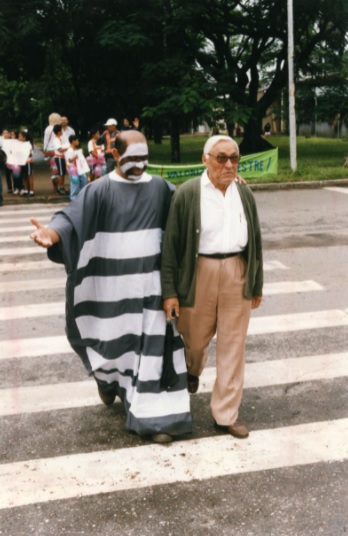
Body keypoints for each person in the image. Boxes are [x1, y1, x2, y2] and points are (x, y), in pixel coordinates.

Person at [29, 130, 192, 444]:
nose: (139, 166)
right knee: (114, 348)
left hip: (152, 290)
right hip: (112, 291)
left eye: (145, 159)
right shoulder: (99, 189)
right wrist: (52, 234)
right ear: (115, 155)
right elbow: (71, 217)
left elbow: (188, 205)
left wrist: (225, 186)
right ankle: (108, 383)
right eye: (132, 159)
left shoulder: (159, 188)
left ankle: (152, 418)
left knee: (152, 352)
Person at [161, 135, 263, 440]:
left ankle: (226, 414)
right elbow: (171, 246)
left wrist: (256, 283)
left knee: (234, 346)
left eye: (234, 158)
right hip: (199, 271)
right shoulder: (188, 193)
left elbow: (255, 240)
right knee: (193, 337)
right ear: (205, 159)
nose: (229, 164)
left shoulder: (244, 192)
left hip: (236, 271)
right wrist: (170, 292)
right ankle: (193, 370)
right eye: (221, 158)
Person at [65, 135, 88, 200]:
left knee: (83, 178)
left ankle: (81, 194)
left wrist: (80, 153)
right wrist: (76, 156)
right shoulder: (69, 150)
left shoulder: (75, 149)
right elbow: (69, 160)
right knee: (75, 182)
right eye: (77, 140)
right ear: (73, 141)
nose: (78, 142)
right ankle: (73, 196)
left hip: (78, 168)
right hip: (73, 169)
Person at [43, 113, 62, 191]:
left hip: (49, 151)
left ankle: (55, 187)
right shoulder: (59, 128)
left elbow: (45, 141)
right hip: (57, 151)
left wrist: (45, 152)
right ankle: (59, 187)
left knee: (53, 170)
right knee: (58, 170)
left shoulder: (47, 129)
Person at [52, 124, 68, 195]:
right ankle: (60, 187)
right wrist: (68, 148)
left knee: (63, 173)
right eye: (61, 130)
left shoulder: (59, 139)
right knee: (61, 173)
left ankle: (62, 186)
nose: (62, 132)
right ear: (58, 132)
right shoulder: (56, 140)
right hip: (59, 158)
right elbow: (60, 149)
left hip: (62, 157)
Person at [18, 130, 35, 197]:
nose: (19, 138)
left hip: (28, 162)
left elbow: (30, 154)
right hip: (22, 163)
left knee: (29, 176)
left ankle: (31, 191)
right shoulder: (20, 144)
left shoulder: (28, 144)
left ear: (24, 138)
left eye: (20, 136)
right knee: (24, 177)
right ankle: (25, 190)